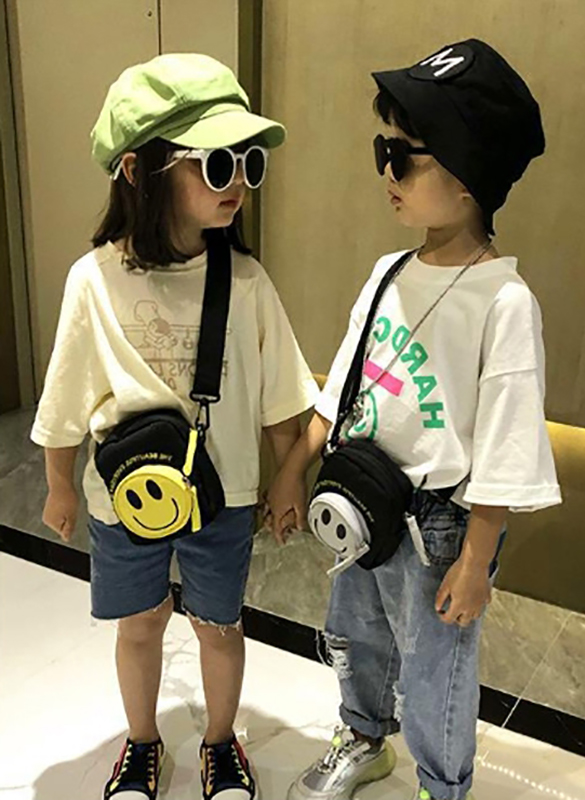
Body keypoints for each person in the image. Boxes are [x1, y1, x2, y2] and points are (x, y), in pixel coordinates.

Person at [268, 39, 562, 800]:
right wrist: (294, 468)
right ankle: (365, 738)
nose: (386, 173)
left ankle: (442, 783)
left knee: (437, 670)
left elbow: (506, 448)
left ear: (468, 177)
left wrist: (476, 562)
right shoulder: (388, 273)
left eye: (402, 157)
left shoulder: (503, 303)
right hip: (362, 499)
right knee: (357, 638)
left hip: (440, 527)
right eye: (383, 151)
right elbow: (342, 389)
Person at [31, 53, 319, 800]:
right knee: (138, 623)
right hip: (124, 500)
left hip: (224, 497)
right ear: (138, 170)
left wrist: (288, 477)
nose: (238, 183)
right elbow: (65, 400)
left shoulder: (246, 282)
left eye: (248, 163)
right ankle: (142, 742)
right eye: (216, 163)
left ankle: (221, 742)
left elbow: (281, 399)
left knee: (219, 625)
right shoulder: (93, 280)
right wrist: (60, 485)